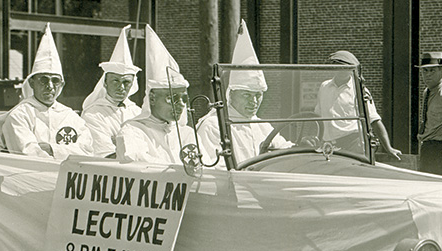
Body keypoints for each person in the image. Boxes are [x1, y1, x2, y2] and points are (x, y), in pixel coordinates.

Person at [195, 20, 291, 168]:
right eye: (246, 95)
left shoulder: (261, 125)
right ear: (231, 94)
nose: (253, 101)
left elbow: (282, 148)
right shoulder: (213, 126)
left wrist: (298, 147)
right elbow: (214, 169)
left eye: (258, 95)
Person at [0, 24, 93, 159]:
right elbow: (29, 154)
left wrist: (53, 149)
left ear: (62, 84)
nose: (50, 86)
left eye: (55, 81)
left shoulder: (72, 117)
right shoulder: (20, 116)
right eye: (44, 80)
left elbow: (88, 151)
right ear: (31, 83)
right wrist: (67, 152)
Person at [115, 25, 197, 165]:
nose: (182, 104)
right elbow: (136, 162)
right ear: (152, 98)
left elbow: (207, 166)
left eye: (183, 98)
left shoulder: (187, 133)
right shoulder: (133, 131)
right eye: (172, 98)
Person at [315, 50, 402, 160]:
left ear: (352, 69)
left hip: (353, 144)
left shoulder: (360, 90)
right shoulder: (324, 86)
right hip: (328, 145)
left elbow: (374, 120)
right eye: (338, 66)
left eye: (346, 67)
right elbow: (318, 116)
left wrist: (388, 148)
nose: (342, 70)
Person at [82, 25, 143, 158]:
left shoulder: (138, 112)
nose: (121, 87)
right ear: (105, 83)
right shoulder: (93, 113)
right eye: (115, 81)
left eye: (126, 82)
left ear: (133, 84)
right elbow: (105, 153)